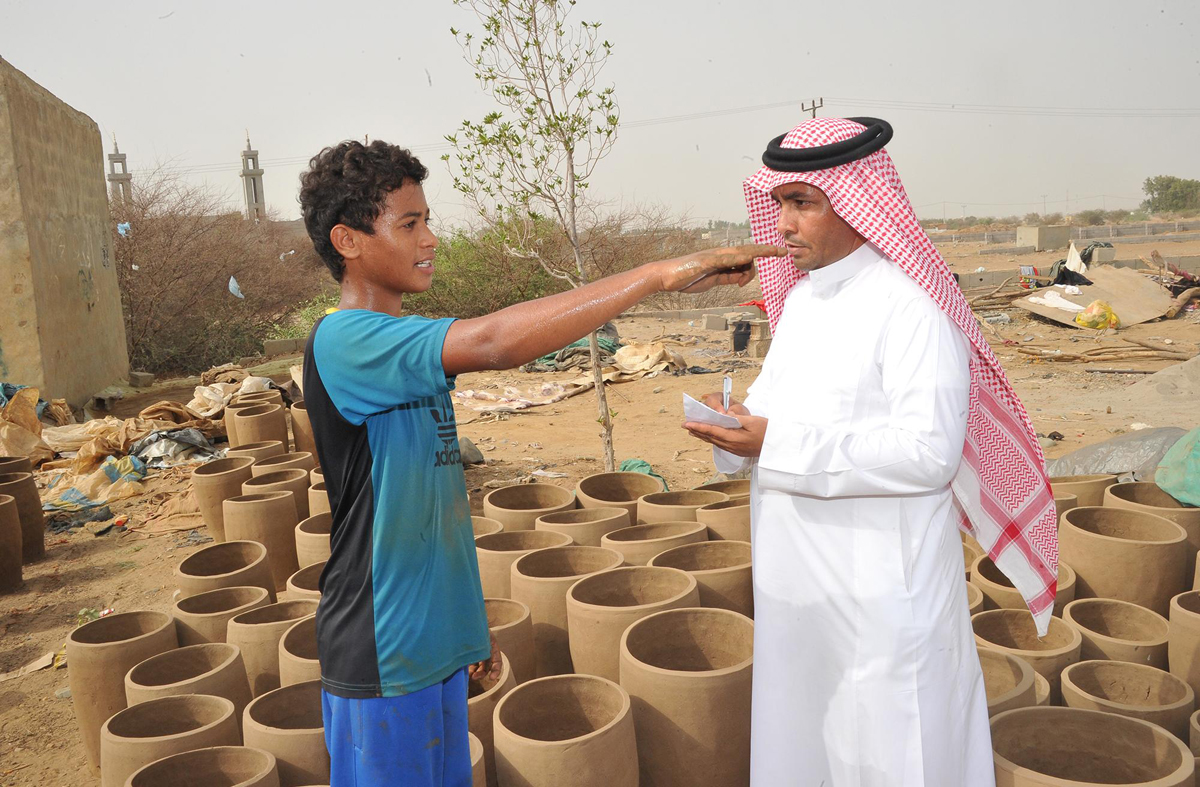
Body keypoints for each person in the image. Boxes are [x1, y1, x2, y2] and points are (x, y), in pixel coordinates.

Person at [296, 138, 780, 787]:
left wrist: (468, 630)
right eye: (410, 223)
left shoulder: (402, 347)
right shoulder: (347, 340)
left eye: (427, 220)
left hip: (430, 650)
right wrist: (653, 275)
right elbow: (497, 340)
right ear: (348, 240)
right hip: (382, 658)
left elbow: (432, 511)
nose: (431, 239)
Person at [683, 117, 1058, 787]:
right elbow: (769, 421)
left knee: (896, 753)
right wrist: (735, 431)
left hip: (883, 601)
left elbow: (928, 452)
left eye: (804, 203)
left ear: (857, 203)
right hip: (800, 597)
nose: (784, 225)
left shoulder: (911, 308)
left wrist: (775, 440)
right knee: (806, 745)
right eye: (779, 204)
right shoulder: (800, 307)